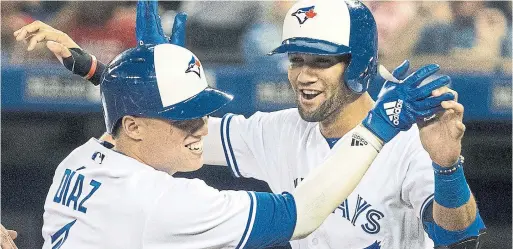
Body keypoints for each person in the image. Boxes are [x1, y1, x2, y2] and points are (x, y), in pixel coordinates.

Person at [16, 0, 485, 248]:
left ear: (358, 65)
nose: (302, 74)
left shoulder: (407, 141)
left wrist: (447, 167)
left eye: (319, 62)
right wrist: (111, 74)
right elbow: (169, 123)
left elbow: (460, 239)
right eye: (295, 59)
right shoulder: (277, 130)